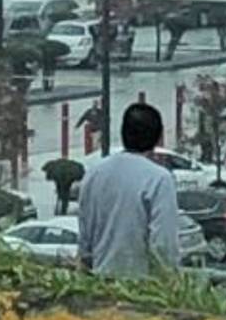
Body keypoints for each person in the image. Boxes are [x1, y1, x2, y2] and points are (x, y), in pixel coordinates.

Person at [77, 102, 180, 277]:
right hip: (141, 285)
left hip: (98, 280)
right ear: (158, 137)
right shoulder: (159, 179)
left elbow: (85, 238)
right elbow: (163, 244)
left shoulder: (94, 174)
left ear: (123, 132)